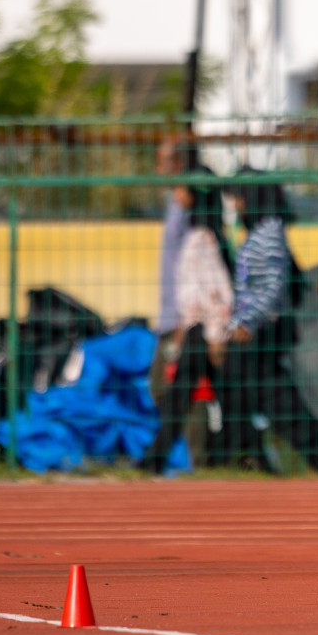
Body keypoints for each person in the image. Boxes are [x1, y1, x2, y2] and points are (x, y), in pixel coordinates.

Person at [220, 168, 318, 473]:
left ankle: (317, 454)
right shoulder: (259, 231)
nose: (235, 205)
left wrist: (247, 323)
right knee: (254, 392)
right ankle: (251, 456)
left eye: (238, 197)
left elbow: (272, 286)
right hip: (254, 327)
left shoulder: (268, 232)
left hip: (263, 328)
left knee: (274, 397)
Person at [140, 165, 234, 474]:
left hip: (195, 330)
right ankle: (174, 458)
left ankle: (191, 458)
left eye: (181, 187)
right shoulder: (205, 234)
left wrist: (205, 332)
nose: (174, 192)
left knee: (178, 392)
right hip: (195, 327)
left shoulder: (199, 239)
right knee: (185, 394)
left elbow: (214, 292)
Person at [146, 135, 191, 444]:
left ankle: (188, 457)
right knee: (163, 388)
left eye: (163, 161)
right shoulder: (173, 204)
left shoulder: (186, 206)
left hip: (180, 315)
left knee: (167, 386)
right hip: (168, 313)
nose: (157, 167)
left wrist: (183, 318)